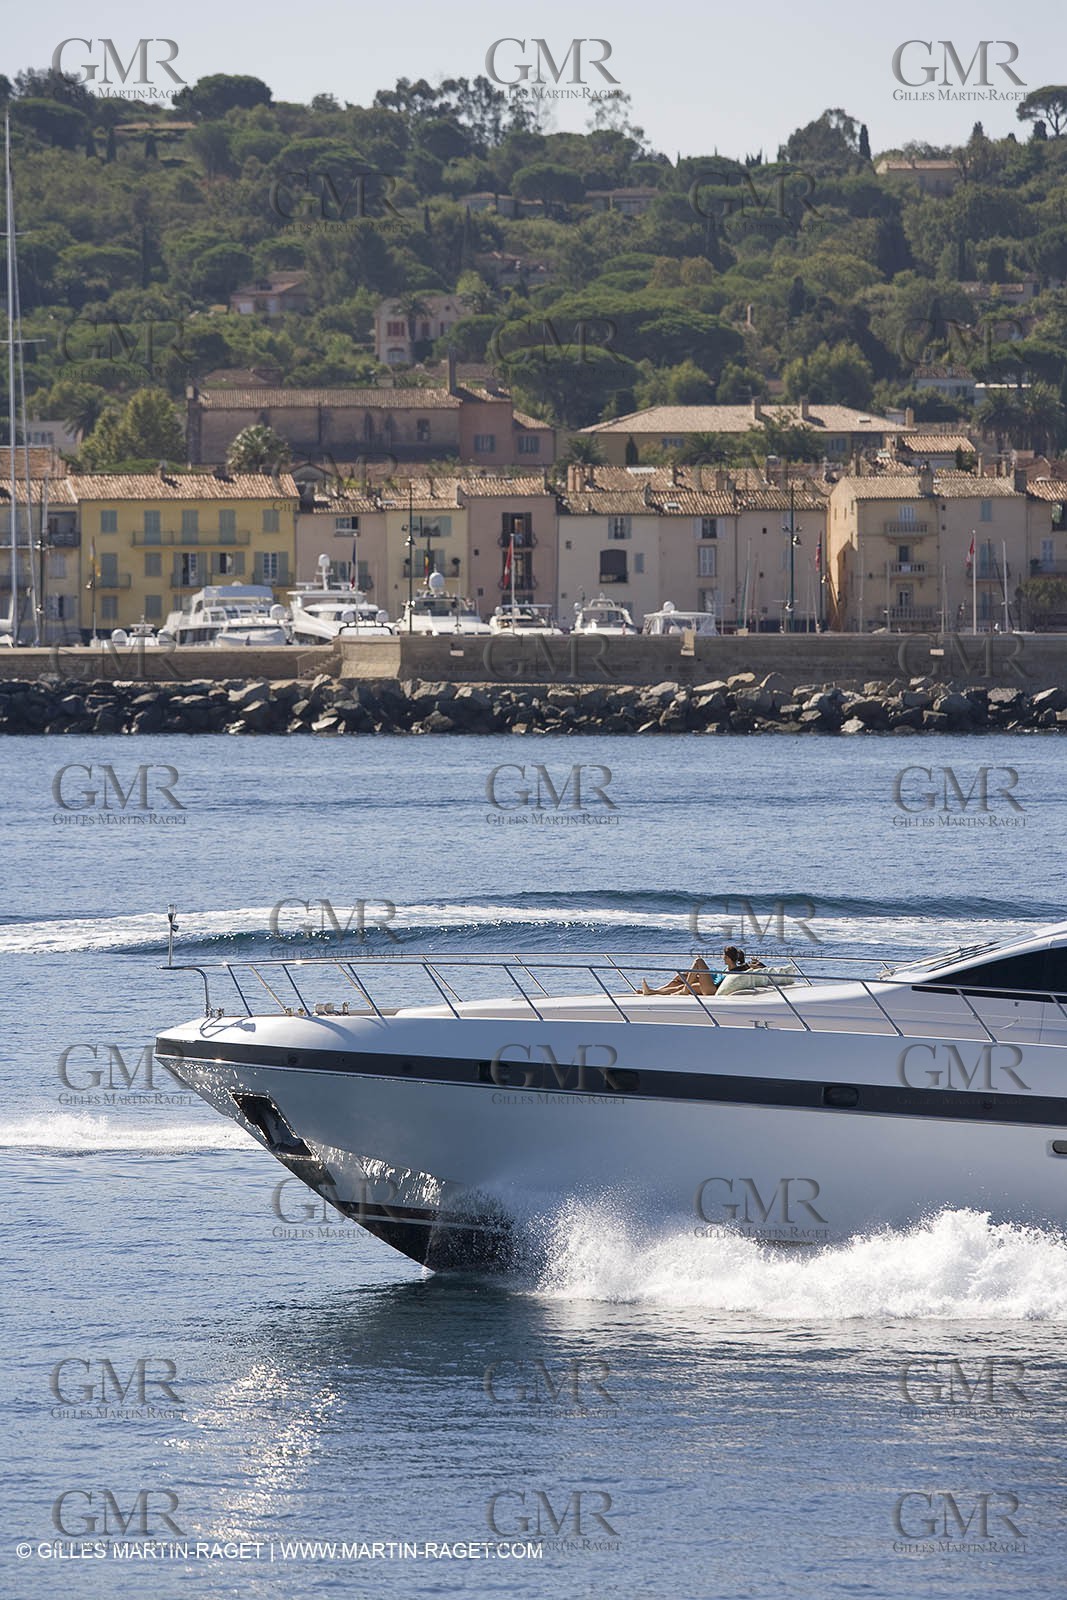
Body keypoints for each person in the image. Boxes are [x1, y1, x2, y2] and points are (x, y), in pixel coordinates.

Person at [640, 946, 747, 996]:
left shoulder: (735, 970)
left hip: (712, 990)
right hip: (711, 985)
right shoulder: (727, 968)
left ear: (728, 958)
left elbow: (723, 983)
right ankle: (653, 991)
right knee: (680, 979)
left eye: (724, 956)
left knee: (698, 961)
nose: (722, 957)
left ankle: (684, 991)